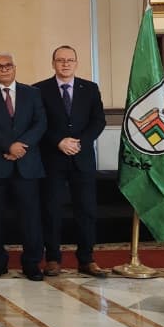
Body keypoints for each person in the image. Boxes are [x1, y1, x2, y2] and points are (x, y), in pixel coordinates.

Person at [35, 46, 108, 278]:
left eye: (70, 60)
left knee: (86, 210)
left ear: (76, 63)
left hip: (82, 158)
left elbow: (98, 121)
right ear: (53, 63)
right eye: (60, 60)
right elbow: (38, 122)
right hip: (52, 159)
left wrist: (80, 142)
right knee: (51, 210)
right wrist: (58, 141)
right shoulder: (39, 89)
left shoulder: (90, 88)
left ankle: (86, 259)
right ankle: (53, 259)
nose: (65, 64)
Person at [0, 52, 48, 280]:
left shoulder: (32, 93)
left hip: (27, 165)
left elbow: (40, 123)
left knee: (30, 217)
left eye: (8, 65)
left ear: (15, 68)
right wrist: (8, 146)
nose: (4, 69)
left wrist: (21, 146)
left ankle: (32, 263)